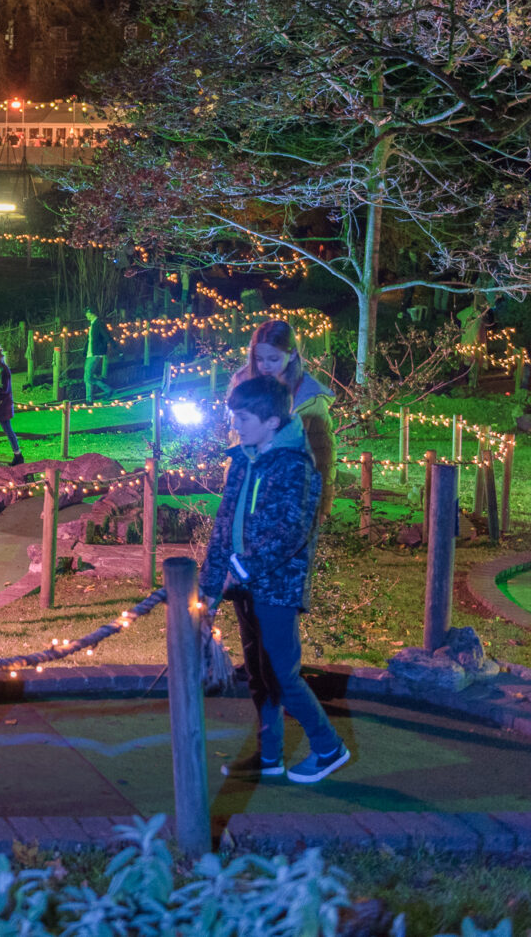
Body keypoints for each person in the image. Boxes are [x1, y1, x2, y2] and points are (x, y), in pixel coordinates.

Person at [200, 375, 350, 785]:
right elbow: (223, 527)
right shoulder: (244, 459)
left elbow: (289, 532)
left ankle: (328, 746)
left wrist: (243, 568)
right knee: (259, 673)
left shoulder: (295, 466)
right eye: (234, 416)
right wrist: (210, 588)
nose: (236, 425)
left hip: (277, 588)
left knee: (283, 673)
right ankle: (270, 756)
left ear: (271, 420)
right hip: (244, 586)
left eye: (243, 417)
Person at [226, 319, 336, 520]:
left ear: (292, 354)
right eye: (259, 359)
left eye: (273, 359)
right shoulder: (245, 387)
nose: (265, 366)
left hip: (290, 499)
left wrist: (320, 506)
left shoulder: (309, 398)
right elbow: (236, 443)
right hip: (246, 495)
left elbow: (323, 456)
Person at [83, 308, 112, 400]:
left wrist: (118, 351)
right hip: (90, 354)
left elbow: (107, 337)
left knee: (87, 377)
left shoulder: (98, 324)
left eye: (87, 314)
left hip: (94, 354)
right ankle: (106, 390)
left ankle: (89, 399)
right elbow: (90, 341)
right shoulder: (93, 324)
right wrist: (84, 352)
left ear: (92, 314)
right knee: (87, 377)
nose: (86, 316)